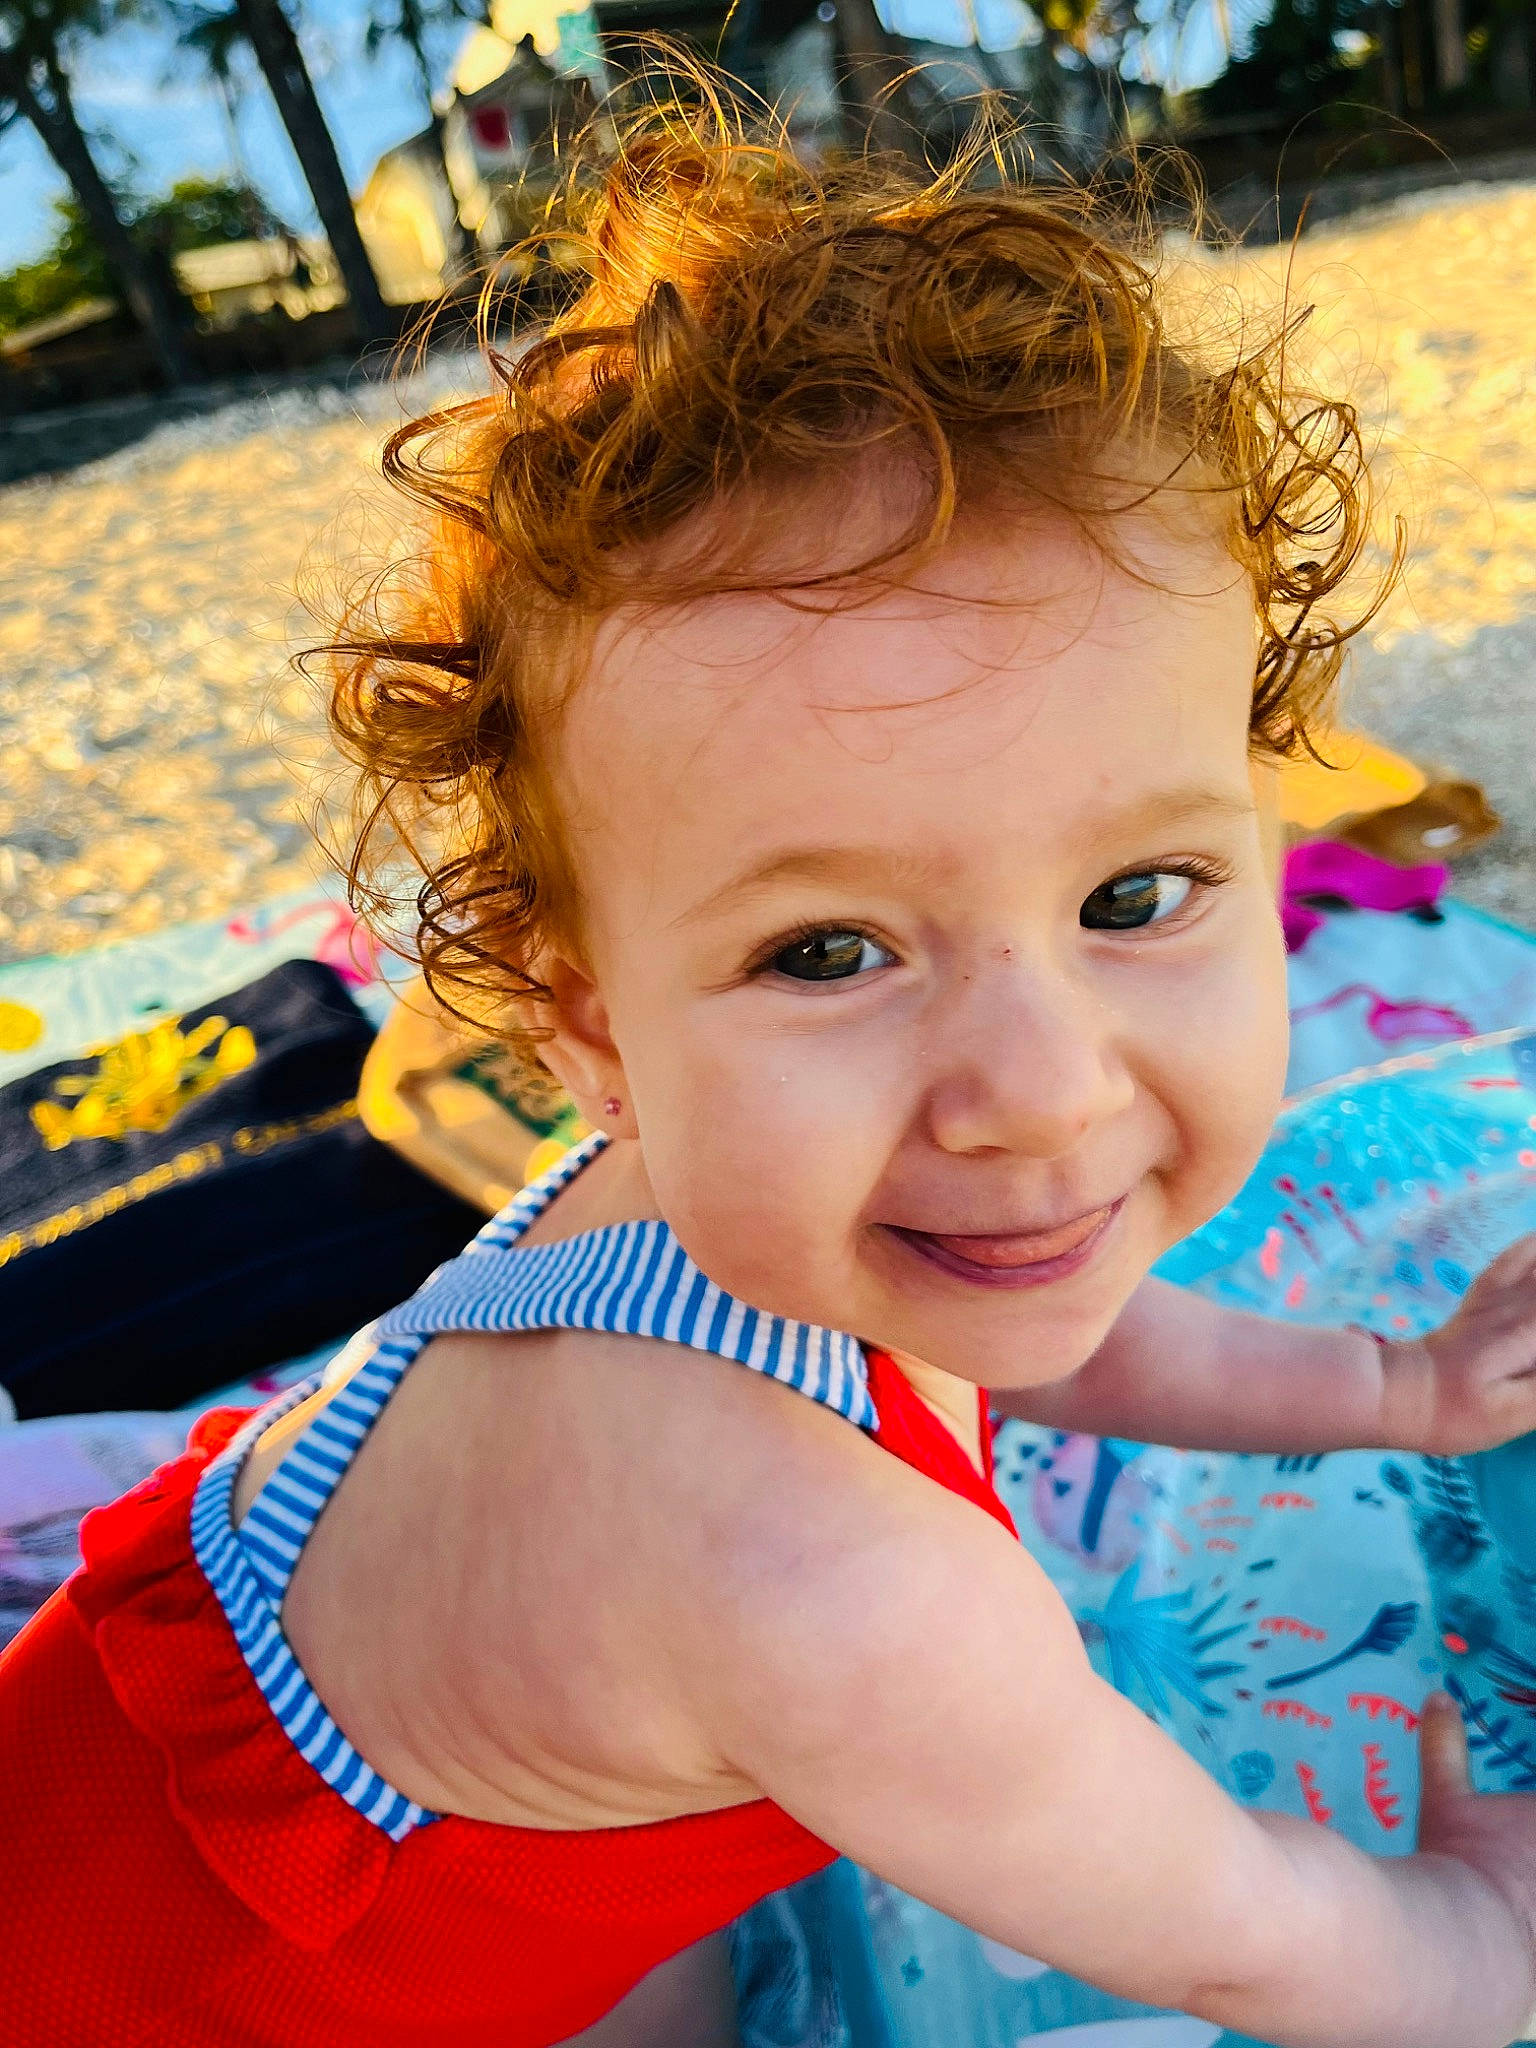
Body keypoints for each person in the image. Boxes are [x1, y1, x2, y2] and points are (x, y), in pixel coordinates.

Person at [4, 82, 1536, 2048]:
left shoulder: (777, 1209)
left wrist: (1389, 1385)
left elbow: (1049, 1327)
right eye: (829, 948)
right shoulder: (837, 1588)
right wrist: (1485, 1939)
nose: (1044, 1093)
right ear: (592, 1034)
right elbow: (1245, 1934)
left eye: (1139, 890)